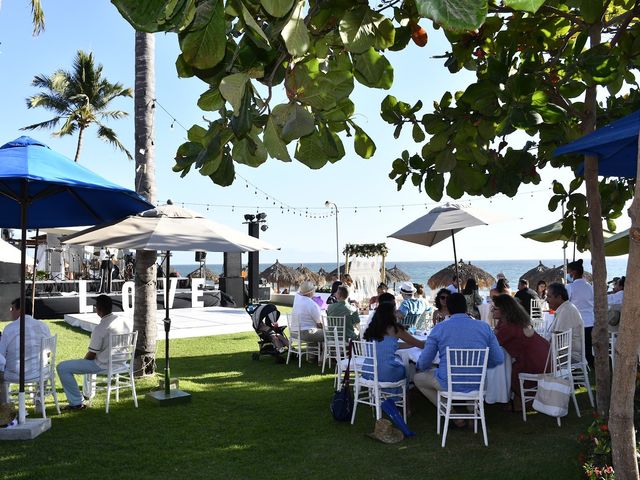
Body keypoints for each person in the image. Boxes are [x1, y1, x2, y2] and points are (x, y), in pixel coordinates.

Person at [414, 293, 504, 424]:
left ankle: (453, 415)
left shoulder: (439, 328)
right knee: (470, 376)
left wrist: (420, 367)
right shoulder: (484, 327)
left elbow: (425, 361)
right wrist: (481, 366)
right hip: (477, 383)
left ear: (449, 309)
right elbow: (498, 358)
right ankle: (471, 410)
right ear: (466, 307)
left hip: (448, 384)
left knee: (418, 378)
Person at [57, 295, 131, 410]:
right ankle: (87, 394)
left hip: (104, 365)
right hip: (122, 362)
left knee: (62, 367)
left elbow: (91, 355)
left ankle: (76, 402)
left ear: (98, 309)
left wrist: (82, 363)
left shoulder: (101, 328)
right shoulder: (124, 322)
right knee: (86, 364)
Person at [492, 294, 550, 408]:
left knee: (507, 371)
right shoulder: (513, 321)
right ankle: (519, 400)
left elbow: (493, 343)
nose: (491, 310)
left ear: (504, 310)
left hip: (535, 362)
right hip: (544, 357)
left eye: (495, 308)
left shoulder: (509, 327)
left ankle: (520, 402)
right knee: (509, 366)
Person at [363, 293, 424, 388]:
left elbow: (389, 345)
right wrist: (432, 341)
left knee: (400, 363)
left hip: (368, 371)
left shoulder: (373, 328)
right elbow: (420, 344)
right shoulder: (395, 329)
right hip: (386, 373)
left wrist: (412, 344)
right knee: (405, 367)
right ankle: (406, 392)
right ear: (392, 312)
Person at [0, 298, 51, 404]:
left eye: (12, 308)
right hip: (39, 372)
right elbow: (48, 351)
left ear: (19, 310)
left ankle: (5, 405)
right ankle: (39, 401)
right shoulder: (43, 326)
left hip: (14, 374)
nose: (10, 311)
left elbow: (1, 354)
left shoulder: (9, 328)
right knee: (46, 364)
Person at [546, 282, 584, 363]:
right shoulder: (565, 308)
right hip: (564, 354)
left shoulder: (566, 310)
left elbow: (556, 338)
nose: (546, 300)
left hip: (569, 356)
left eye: (549, 297)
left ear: (559, 297)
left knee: (532, 356)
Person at [566, 259, 594, 367]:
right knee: (587, 346)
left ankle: (577, 365)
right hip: (590, 321)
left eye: (569, 272)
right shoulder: (589, 286)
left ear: (573, 272)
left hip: (576, 322)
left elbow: (566, 303)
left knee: (575, 348)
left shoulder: (570, 287)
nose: (568, 274)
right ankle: (589, 364)